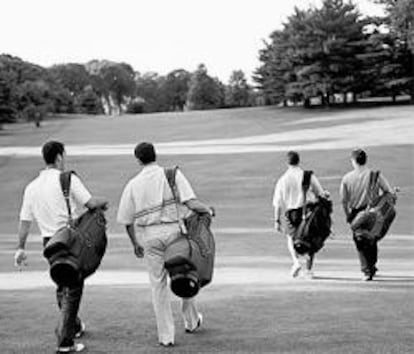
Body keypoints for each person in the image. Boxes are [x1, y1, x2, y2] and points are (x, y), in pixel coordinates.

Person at [14, 140, 108, 353]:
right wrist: (104, 202)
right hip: (69, 240)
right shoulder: (67, 179)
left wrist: (20, 248)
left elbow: (24, 221)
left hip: (49, 243)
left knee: (62, 284)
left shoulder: (31, 187)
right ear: (58, 157)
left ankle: (73, 327)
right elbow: (90, 203)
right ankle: (65, 343)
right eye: (63, 155)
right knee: (73, 288)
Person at [117, 142, 214, 347]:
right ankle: (191, 321)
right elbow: (191, 202)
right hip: (174, 235)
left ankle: (166, 337)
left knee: (157, 286)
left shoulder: (132, 184)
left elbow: (126, 221)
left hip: (150, 239)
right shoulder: (172, 174)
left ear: (138, 160)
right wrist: (208, 211)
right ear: (155, 155)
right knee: (185, 274)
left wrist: (135, 243)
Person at [340, 148, 394, 281]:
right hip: (373, 213)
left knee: (360, 241)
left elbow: (344, 200)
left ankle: (367, 270)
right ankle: (372, 266)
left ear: (353, 161)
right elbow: (388, 191)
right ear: (365, 160)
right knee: (372, 238)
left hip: (356, 213)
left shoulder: (347, 178)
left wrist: (348, 215)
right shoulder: (375, 175)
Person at [273, 151, 327, 279]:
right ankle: (309, 270)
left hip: (291, 214)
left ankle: (296, 262)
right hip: (308, 212)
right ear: (298, 161)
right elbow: (320, 193)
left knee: (291, 239)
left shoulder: (283, 179)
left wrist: (276, 220)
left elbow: (278, 202)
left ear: (287, 163)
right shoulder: (308, 176)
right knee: (310, 239)